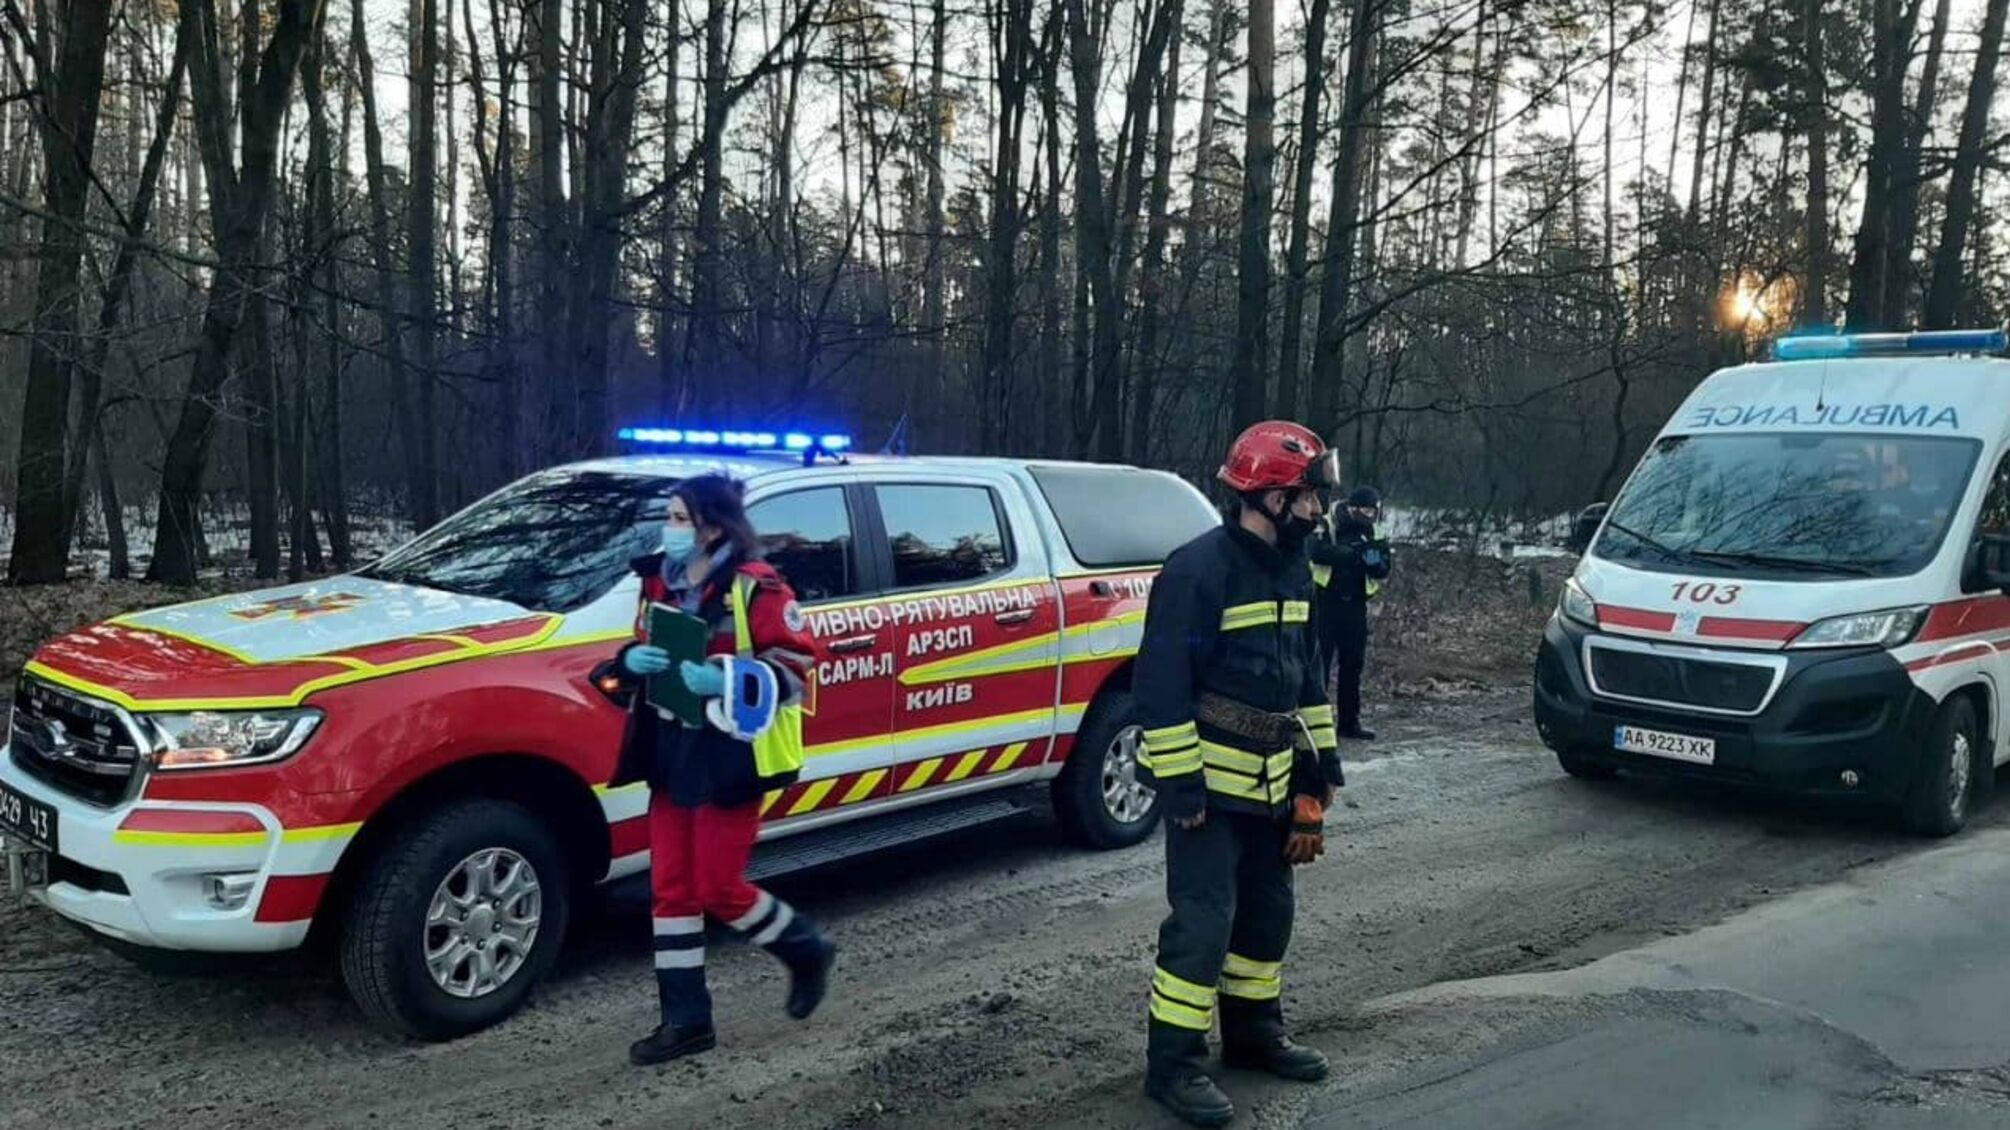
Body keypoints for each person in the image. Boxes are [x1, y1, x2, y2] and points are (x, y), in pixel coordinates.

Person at [1135, 421, 1347, 1128]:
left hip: (1274, 784)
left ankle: (1254, 1038)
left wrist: (1319, 773)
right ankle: (1174, 1067)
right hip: (1209, 793)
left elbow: (1306, 677)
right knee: (1203, 925)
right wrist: (1182, 788)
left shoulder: (1294, 567)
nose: (1318, 512)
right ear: (1268, 498)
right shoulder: (1196, 571)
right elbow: (1160, 688)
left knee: (1266, 914)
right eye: (1308, 498)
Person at [607, 473, 835, 1066]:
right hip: (668, 751)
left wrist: (726, 678)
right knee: (671, 892)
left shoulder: (758, 589)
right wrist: (630, 662)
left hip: (728, 754)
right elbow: (627, 662)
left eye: (680, 518)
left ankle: (804, 947)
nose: (670, 528)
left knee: (716, 887)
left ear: (712, 525)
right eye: (670, 517)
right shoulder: (657, 578)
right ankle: (686, 1021)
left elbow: (795, 673)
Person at [1310, 486, 1390, 740]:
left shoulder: (1374, 531)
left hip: (1355, 606)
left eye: (1374, 511)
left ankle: (1349, 722)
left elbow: (1381, 566)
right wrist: (1355, 555)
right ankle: (1314, 724)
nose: (1371, 516)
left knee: (1352, 665)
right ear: (1353, 508)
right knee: (1318, 665)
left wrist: (1374, 562)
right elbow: (1317, 552)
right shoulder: (1327, 523)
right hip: (1325, 603)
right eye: (1367, 510)